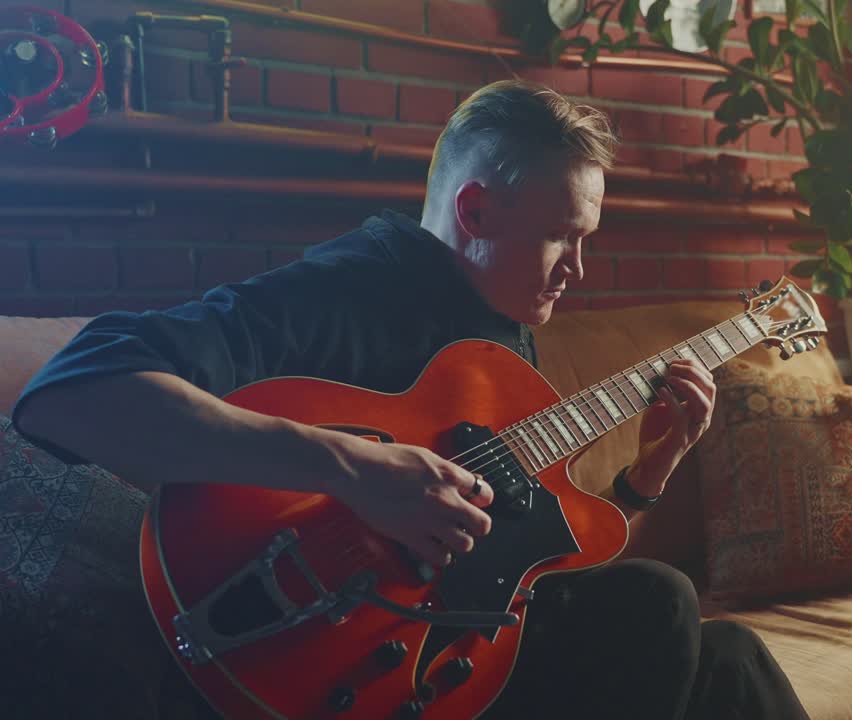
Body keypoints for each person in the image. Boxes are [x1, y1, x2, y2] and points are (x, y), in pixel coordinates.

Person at [11, 79, 810, 720]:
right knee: (659, 602)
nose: (577, 268)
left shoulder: (503, 333)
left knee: (732, 659)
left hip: (439, 651)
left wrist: (652, 468)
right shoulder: (348, 289)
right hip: (303, 649)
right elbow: (70, 394)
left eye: (585, 239)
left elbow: (536, 571)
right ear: (475, 211)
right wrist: (352, 468)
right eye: (560, 236)